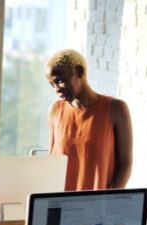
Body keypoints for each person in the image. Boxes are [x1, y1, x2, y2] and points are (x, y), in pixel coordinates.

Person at [46, 49, 133, 191]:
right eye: (52, 85)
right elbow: (52, 161)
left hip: (99, 206)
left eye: (60, 81)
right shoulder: (55, 110)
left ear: (79, 72)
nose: (56, 89)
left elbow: (126, 164)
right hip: (61, 204)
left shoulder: (116, 109)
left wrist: (111, 200)